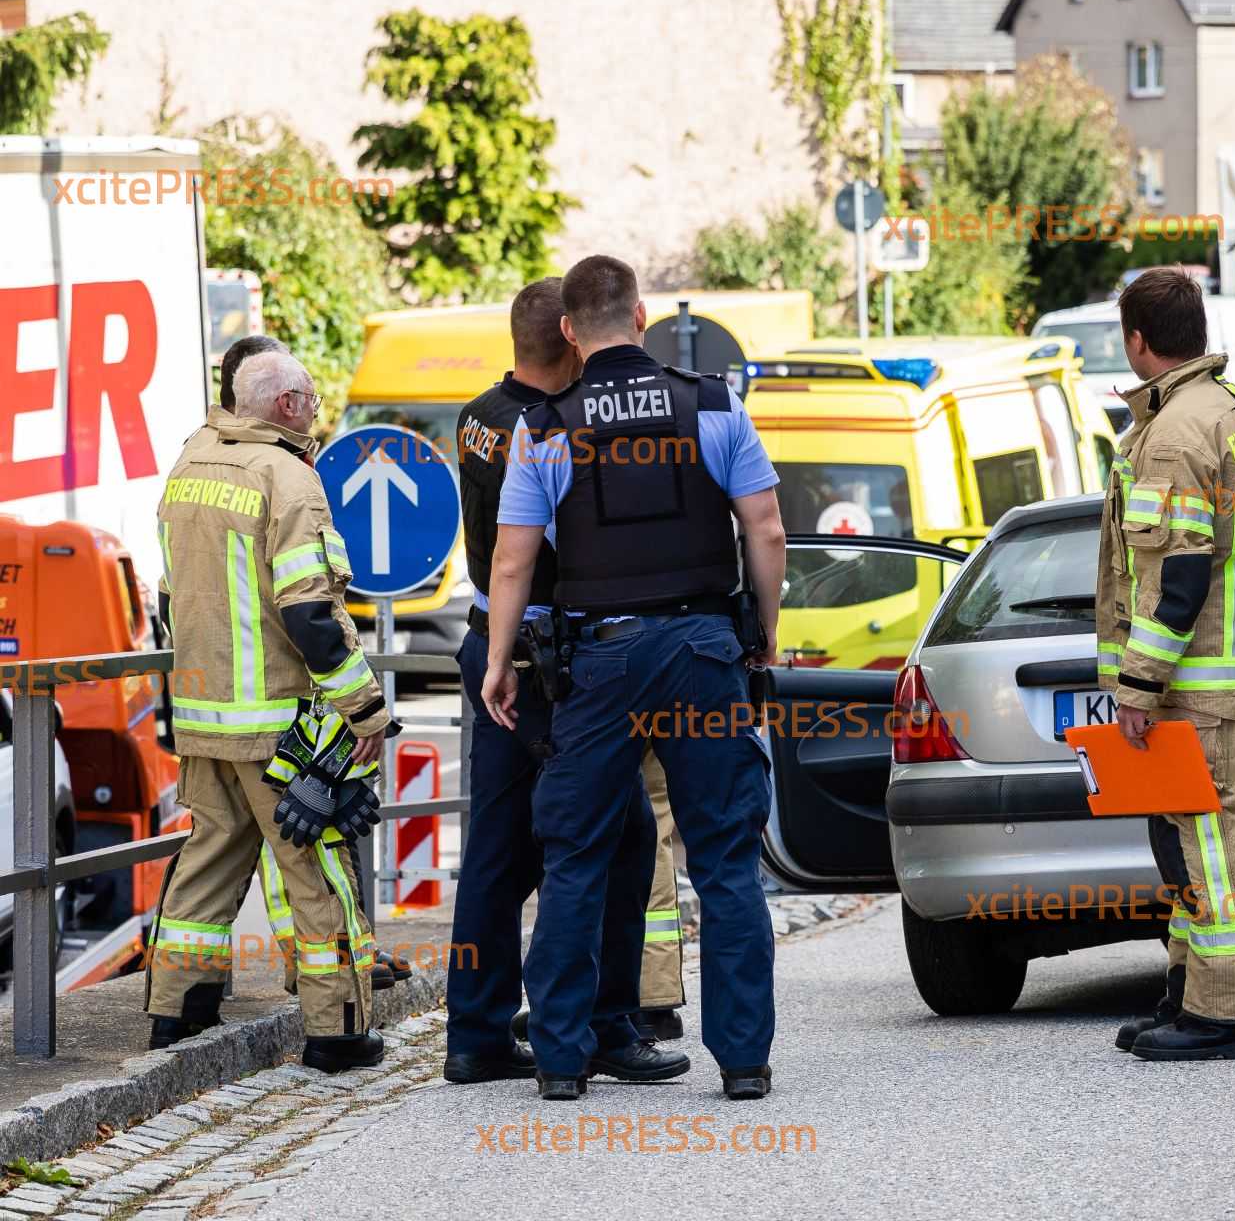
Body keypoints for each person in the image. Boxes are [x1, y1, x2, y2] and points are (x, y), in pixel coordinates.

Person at [482, 254, 785, 1101]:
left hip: (601, 661)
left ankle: (561, 1060)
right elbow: (765, 529)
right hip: (702, 653)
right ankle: (744, 1062)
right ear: (642, 317)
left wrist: (499, 662)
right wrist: (764, 631)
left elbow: (512, 562)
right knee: (724, 859)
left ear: (569, 332)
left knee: (576, 855)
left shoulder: (544, 426)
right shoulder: (716, 404)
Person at [442, 277, 684, 1085]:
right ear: (575, 340)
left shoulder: (478, 415)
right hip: (548, 660)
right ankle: (605, 1024)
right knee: (622, 836)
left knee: (495, 850)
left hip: (489, 644)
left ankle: (476, 1033)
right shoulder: (549, 429)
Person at [147, 352, 390, 1073]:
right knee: (317, 870)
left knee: (206, 862)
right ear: (286, 404)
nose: (315, 410)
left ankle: (178, 1010)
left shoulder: (190, 462)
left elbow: (170, 596)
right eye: (311, 399)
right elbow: (312, 612)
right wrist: (365, 709)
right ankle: (337, 1029)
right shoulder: (287, 477)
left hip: (203, 717)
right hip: (277, 724)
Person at [1096, 269, 1235, 1062]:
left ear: (1138, 339)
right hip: (1224, 672)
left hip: (1192, 678)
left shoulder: (1175, 435)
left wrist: (1137, 684)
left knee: (1210, 839)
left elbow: (1178, 580)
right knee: (1190, 839)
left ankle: (1228, 1015)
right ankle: (1188, 993)